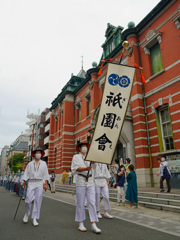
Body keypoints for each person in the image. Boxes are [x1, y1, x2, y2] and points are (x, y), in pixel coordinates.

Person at [71, 142, 101, 234]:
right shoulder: (76, 157)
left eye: (85, 146)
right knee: (80, 202)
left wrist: (94, 163)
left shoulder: (90, 156)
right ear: (79, 148)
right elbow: (75, 169)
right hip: (81, 180)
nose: (84, 148)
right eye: (83, 146)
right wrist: (85, 169)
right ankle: (81, 223)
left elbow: (95, 169)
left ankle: (93, 223)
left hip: (90, 181)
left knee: (92, 202)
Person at [22, 149, 50, 227]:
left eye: (39, 153)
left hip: (39, 183)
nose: (38, 154)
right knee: (28, 200)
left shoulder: (44, 163)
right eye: (37, 153)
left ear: (41, 154)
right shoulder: (30, 164)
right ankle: (27, 214)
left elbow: (46, 175)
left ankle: (35, 218)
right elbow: (26, 174)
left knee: (38, 201)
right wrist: (24, 184)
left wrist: (46, 184)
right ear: (34, 154)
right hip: (31, 182)